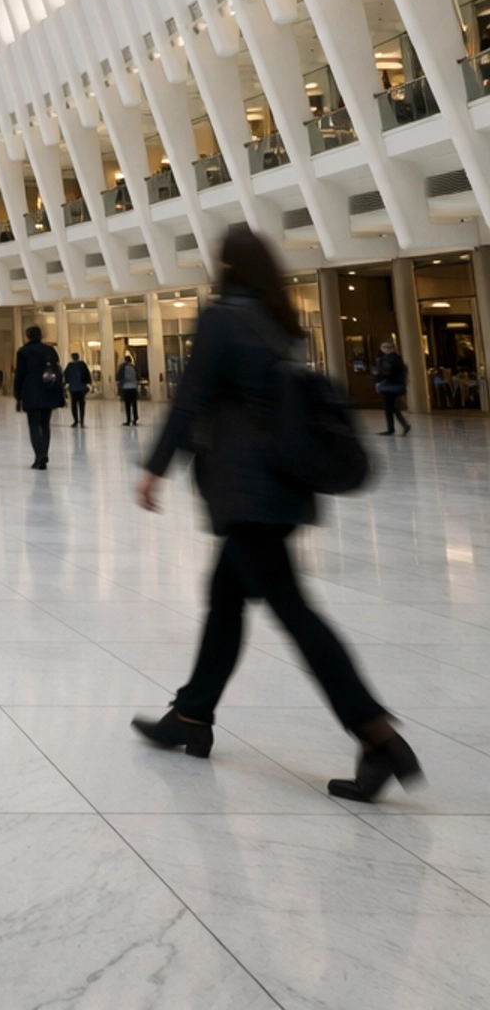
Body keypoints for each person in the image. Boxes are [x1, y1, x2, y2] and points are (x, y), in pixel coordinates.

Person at [133, 226, 419, 804]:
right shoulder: (278, 322)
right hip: (280, 489)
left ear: (227, 266)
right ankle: (191, 715)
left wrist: (155, 467)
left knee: (292, 611)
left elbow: (191, 397)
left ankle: (376, 735)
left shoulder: (221, 318)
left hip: (247, 493)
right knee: (226, 599)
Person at [14, 324, 64, 467]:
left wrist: (18, 395)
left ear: (28, 336)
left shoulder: (24, 352)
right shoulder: (49, 350)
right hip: (49, 391)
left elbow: (20, 375)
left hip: (32, 392)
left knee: (34, 425)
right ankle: (45, 453)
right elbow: (56, 367)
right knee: (45, 424)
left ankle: (39, 456)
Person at [374, 342, 410, 436]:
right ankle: (404, 425)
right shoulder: (398, 358)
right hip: (398, 385)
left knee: (388, 408)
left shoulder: (384, 359)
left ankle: (391, 428)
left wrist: (378, 382)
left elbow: (383, 372)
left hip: (388, 386)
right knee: (394, 407)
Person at [64, 352, 91, 428]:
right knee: (82, 405)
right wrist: (88, 383)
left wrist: (67, 383)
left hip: (73, 388)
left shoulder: (69, 366)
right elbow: (87, 374)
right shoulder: (82, 365)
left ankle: (75, 421)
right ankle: (82, 421)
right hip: (81, 388)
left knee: (74, 405)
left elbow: (66, 375)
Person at [118, 352, 141, 425]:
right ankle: (135, 418)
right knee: (134, 404)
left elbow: (119, 377)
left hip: (126, 388)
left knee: (127, 405)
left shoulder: (123, 367)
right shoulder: (134, 367)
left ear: (125, 360)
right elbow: (138, 377)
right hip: (133, 387)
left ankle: (128, 420)